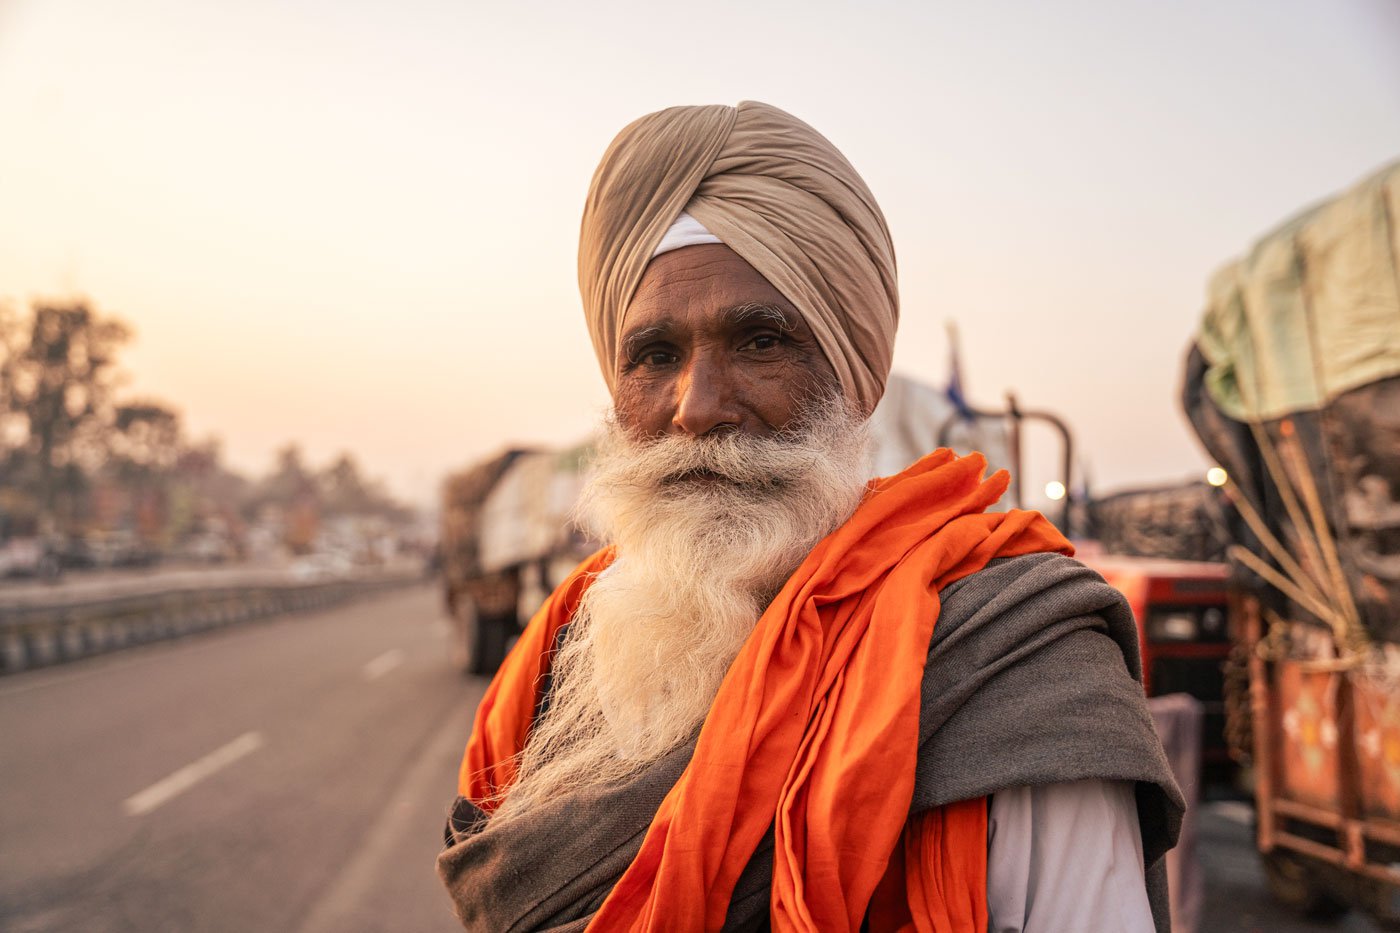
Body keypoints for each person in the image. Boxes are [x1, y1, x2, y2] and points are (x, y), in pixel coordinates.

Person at [438, 101, 1183, 932]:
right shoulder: (558, 652)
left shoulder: (1015, 674)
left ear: (855, 380)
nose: (697, 406)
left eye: (760, 341)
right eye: (655, 356)